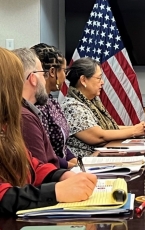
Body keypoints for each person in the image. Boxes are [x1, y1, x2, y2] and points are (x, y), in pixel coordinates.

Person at [0, 47, 97, 214]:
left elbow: (33, 166)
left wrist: (61, 176)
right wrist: (55, 192)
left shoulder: (6, 125)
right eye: (17, 83)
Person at [61, 57, 145, 157]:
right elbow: (99, 136)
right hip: (85, 163)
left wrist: (137, 129)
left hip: (101, 157)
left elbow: (108, 129)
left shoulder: (91, 102)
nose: (102, 82)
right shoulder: (72, 106)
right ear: (83, 80)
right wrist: (133, 131)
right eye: (99, 78)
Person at [31, 43, 77, 169]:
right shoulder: (36, 106)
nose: (65, 76)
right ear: (52, 72)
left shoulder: (52, 101)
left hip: (64, 168)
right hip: (50, 173)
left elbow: (61, 142)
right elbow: (43, 151)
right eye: (64, 70)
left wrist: (73, 159)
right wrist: (67, 165)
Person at [12, 48, 59, 167]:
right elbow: (39, 173)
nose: (45, 80)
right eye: (43, 75)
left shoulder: (27, 112)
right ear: (33, 79)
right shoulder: (24, 117)